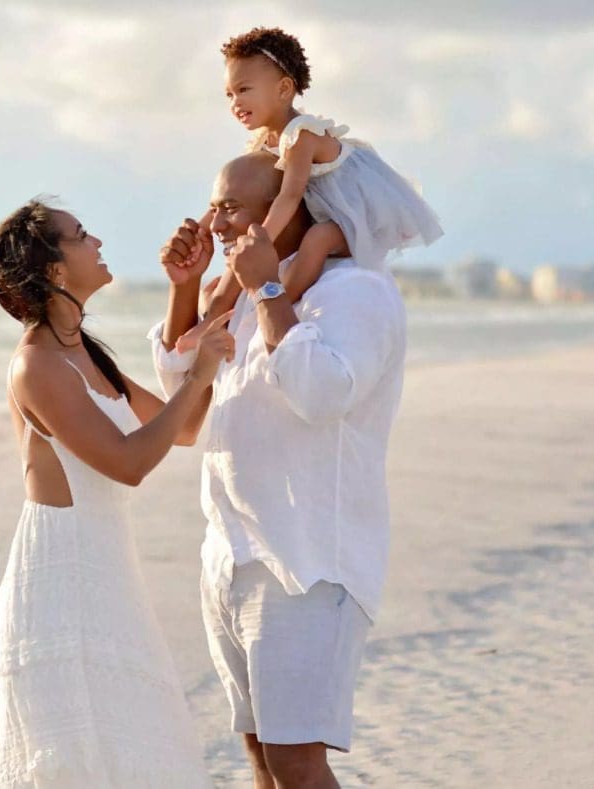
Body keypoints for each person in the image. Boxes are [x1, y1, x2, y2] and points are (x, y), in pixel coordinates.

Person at [151, 151, 408, 788]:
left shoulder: (356, 292)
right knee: (261, 753)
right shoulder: (237, 294)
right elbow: (185, 397)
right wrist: (187, 286)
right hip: (232, 554)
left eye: (232, 207)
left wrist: (268, 289)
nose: (215, 221)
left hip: (308, 564)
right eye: (214, 204)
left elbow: (321, 393)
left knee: (297, 761)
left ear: (292, 214)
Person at [0, 200, 229, 787]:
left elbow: (185, 427)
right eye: (81, 234)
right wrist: (198, 375)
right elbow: (130, 463)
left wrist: (188, 290)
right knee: (77, 761)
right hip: (60, 580)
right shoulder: (36, 366)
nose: (97, 240)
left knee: (138, 745)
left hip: (106, 572)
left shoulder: (85, 353)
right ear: (55, 271)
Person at [176, 26, 440, 353]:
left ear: (284, 89)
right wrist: (200, 228)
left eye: (244, 89)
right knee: (238, 257)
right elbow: (232, 199)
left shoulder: (301, 136)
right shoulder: (264, 141)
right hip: (323, 210)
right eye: (229, 94)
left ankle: (280, 302)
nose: (235, 102)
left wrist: (259, 238)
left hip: (354, 213)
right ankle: (214, 318)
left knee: (316, 240)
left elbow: (289, 197)